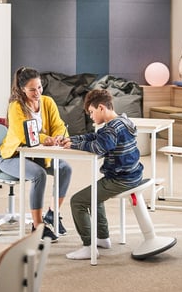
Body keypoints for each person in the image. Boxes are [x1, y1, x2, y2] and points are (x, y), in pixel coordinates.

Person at [59, 89, 144, 259]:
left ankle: (89, 247)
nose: (90, 117)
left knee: (77, 201)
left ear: (101, 108)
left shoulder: (111, 129)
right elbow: (96, 136)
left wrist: (73, 146)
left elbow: (98, 147)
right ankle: (103, 238)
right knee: (94, 195)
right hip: (134, 174)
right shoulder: (123, 121)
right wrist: (74, 139)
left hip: (121, 179)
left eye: (91, 112)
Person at [0, 66, 72, 242]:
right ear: (22, 89)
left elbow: (58, 125)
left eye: (39, 87)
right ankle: (38, 226)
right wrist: (46, 138)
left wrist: (60, 137)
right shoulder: (15, 106)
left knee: (65, 169)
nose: (37, 92)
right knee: (39, 175)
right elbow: (23, 134)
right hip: (12, 156)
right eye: (32, 89)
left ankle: (53, 214)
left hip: (39, 154)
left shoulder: (47, 102)